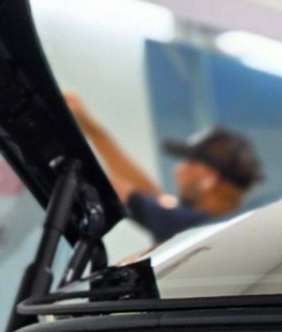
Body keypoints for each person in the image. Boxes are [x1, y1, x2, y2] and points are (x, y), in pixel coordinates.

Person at [65, 95, 262, 241]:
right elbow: (154, 196)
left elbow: (113, 187)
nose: (178, 170)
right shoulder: (221, 229)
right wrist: (93, 129)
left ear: (211, 178)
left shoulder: (191, 227)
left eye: (189, 162)